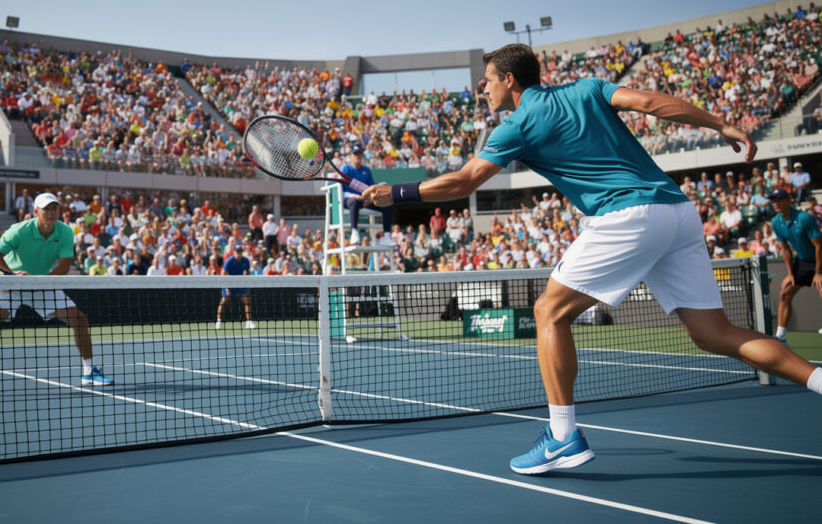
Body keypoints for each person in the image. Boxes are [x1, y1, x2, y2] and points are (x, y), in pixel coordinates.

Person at [361, 43, 822, 475]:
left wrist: (396, 193)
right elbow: (649, 102)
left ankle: (563, 437)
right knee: (714, 334)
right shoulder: (587, 87)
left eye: (487, 81)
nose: (483, 89)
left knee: (549, 311)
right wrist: (719, 124)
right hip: (678, 212)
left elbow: (464, 182)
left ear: (508, 79)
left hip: (627, 216)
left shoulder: (515, 125)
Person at [0, 193, 112, 400]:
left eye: (54, 208)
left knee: (79, 319)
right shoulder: (19, 230)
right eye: (46, 209)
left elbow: (64, 267)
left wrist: (40, 281)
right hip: (11, 283)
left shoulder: (65, 231)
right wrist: (12, 275)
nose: (51, 212)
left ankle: (89, 372)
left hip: (41, 283)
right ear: (36, 212)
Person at [769, 188, 822, 344]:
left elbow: (819, 246)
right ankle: (781, 336)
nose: (775, 203)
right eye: (773, 200)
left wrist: (818, 272)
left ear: (788, 201)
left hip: (820, 258)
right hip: (803, 261)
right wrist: (790, 274)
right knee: (784, 294)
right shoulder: (776, 222)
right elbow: (785, 249)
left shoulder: (804, 218)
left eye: (778, 200)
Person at [341, 144, 393, 245]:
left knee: (387, 203)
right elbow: (341, 191)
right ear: (351, 155)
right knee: (354, 201)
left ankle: (387, 236)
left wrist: (368, 198)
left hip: (365, 201)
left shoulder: (367, 170)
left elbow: (371, 188)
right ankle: (354, 233)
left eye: (360, 154)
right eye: (355, 154)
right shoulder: (346, 169)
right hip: (350, 201)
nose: (358, 157)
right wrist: (354, 196)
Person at [215, 244, 255, 330]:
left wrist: (247, 285)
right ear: (234, 253)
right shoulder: (229, 261)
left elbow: (248, 273)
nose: (239, 253)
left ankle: (249, 321)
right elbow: (223, 275)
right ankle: (218, 321)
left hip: (240, 282)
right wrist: (226, 287)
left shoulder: (246, 261)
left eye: (240, 252)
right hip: (229, 281)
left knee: (247, 299)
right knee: (224, 300)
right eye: (237, 252)